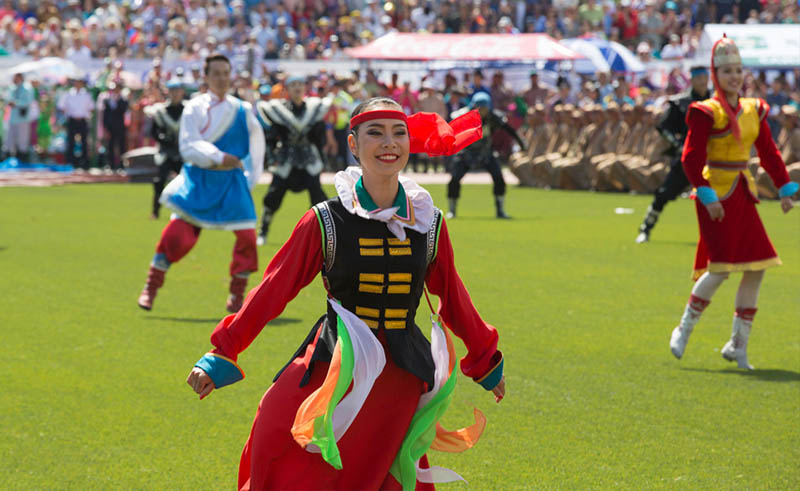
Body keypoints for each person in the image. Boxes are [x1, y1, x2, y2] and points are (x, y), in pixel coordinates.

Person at [186, 96, 505, 490]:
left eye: (398, 133)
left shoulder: (429, 221)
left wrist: (486, 358)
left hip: (401, 374)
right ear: (353, 145)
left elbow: (454, 298)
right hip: (334, 367)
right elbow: (273, 290)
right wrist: (223, 351)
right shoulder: (325, 220)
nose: (389, 143)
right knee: (273, 430)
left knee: (378, 475)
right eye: (376, 134)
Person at [668, 37, 798, 370]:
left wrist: (784, 188)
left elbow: (768, 151)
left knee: (758, 266)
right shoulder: (705, 111)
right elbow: (691, 159)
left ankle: (738, 346)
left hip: (742, 192)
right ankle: (684, 328)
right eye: (727, 71)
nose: (734, 76)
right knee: (721, 268)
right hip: (716, 194)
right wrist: (707, 193)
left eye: (739, 70)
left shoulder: (754, 109)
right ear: (715, 74)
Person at [137, 54, 265, 314]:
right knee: (177, 237)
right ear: (205, 78)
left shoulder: (242, 110)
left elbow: (256, 148)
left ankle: (237, 295)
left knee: (248, 238)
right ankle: (151, 286)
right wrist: (219, 157)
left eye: (225, 72)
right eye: (216, 73)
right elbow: (188, 146)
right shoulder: (194, 107)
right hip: (200, 180)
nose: (221, 78)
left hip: (231, 183)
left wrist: (249, 179)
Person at [636, 66, 710, 243]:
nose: (702, 81)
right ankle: (646, 228)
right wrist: (679, 146)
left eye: (704, 78)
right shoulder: (681, 102)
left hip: (711, 159)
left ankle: (724, 236)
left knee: (720, 197)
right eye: (698, 78)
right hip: (688, 157)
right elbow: (663, 127)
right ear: (691, 80)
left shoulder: (714, 102)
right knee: (664, 193)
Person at [254, 75, 331, 246]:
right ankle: (263, 230)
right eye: (293, 85)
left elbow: (319, 138)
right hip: (286, 160)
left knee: (318, 197)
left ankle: (325, 232)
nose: (297, 88)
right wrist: (272, 157)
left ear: (304, 88)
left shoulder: (315, 109)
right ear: (287, 89)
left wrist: (323, 159)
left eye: (300, 84)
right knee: (273, 196)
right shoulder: (278, 110)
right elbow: (272, 138)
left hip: (309, 159)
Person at [447, 92, 525, 219]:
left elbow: (508, 129)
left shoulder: (494, 117)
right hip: (466, 152)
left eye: (484, 108)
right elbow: (448, 129)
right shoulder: (462, 116)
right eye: (479, 108)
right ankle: (452, 210)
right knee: (454, 179)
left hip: (486, 152)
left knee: (499, 178)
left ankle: (500, 210)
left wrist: (521, 143)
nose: (482, 111)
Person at [144, 80, 186, 219]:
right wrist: (164, 140)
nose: (175, 94)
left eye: (177, 91)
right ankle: (155, 211)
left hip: (183, 152)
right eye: (172, 91)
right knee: (159, 181)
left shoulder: (188, 110)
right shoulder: (161, 111)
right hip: (165, 152)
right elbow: (154, 132)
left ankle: (186, 211)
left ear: (182, 92)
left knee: (187, 182)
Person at [58, 77, 94, 169]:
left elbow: (91, 108)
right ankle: (71, 162)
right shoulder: (68, 94)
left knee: (84, 142)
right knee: (71, 142)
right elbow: (61, 106)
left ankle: (85, 163)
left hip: (83, 120)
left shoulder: (86, 94)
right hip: (72, 120)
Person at [4, 72, 34, 163]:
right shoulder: (12, 88)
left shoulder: (27, 88)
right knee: (9, 139)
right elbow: (7, 99)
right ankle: (9, 158)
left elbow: (28, 101)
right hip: (12, 118)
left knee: (22, 140)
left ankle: (23, 160)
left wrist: (16, 103)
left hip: (22, 118)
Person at [100, 81, 129, 171]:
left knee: (121, 146)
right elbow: (105, 115)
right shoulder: (106, 100)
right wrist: (105, 127)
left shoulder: (123, 100)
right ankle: (111, 164)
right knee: (110, 146)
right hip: (110, 127)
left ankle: (121, 165)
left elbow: (123, 111)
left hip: (120, 127)